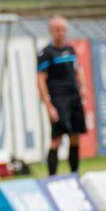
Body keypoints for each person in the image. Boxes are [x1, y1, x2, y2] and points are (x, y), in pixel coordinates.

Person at [37, 15, 88, 175]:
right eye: (57, 30)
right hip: (58, 100)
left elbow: (78, 70)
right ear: (51, 31)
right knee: (57, 138)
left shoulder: (70, 49)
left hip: (74, 98)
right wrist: (49, 105)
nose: (60, 33)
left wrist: (83, 86)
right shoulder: (46, 53)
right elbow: (40, 80)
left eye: (63, 29)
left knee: (75, 135)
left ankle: (75, 174)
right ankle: (52, 178)